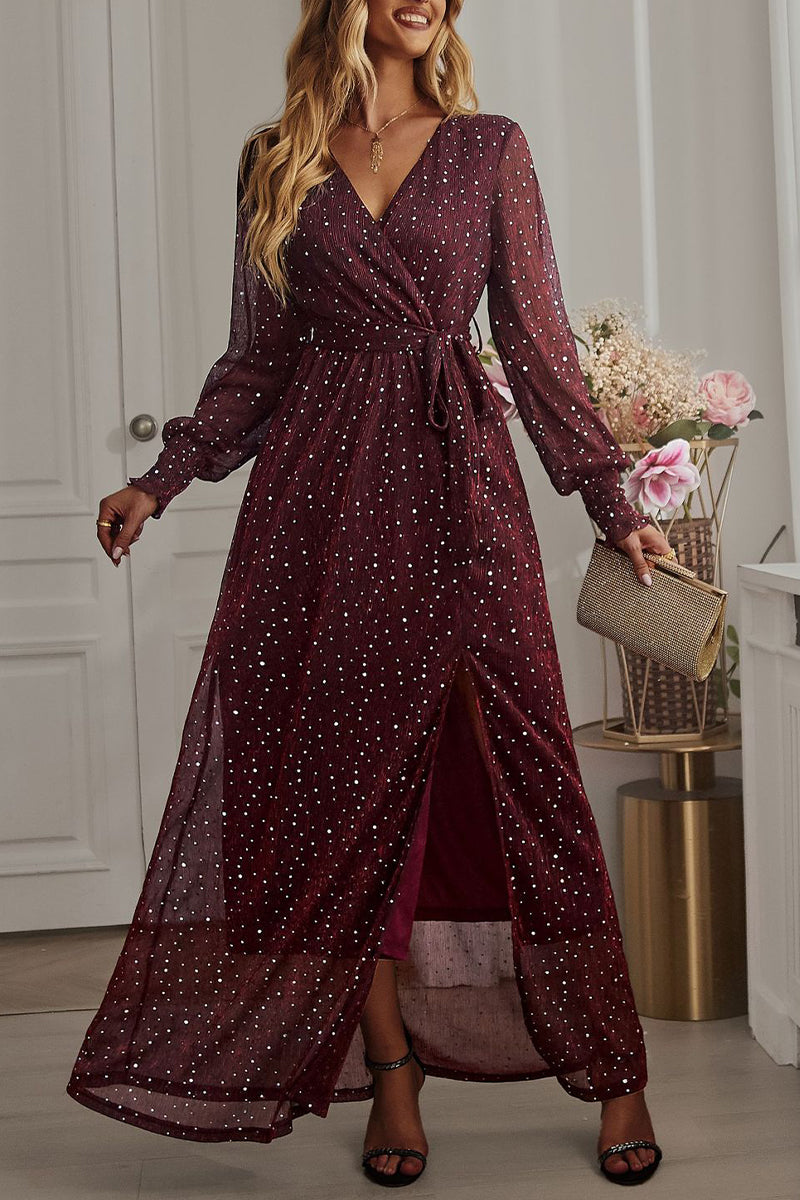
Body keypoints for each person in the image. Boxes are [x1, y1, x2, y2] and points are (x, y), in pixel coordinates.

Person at [70, 0, 669, 1188]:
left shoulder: (487, 146)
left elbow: (536, 339)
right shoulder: (276, 158)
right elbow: (257, 360)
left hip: (461, 494)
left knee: (528, 777)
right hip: (319, 509)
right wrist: (161, 479)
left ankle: (614, 1068)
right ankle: (391, 1073)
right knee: (341, 795)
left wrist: (613, 500)